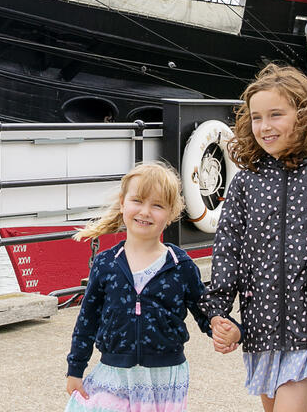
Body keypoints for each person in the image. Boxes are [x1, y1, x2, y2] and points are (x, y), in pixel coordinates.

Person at [202, 63, 307, 412]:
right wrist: (218, 311)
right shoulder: (246, 182)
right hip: (259, 326)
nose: (264, 126)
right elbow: (228, 248)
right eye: (257, 117)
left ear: (303, 115)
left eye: (276, 115)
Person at [65, 161, 214, 412]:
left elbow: (205, 313)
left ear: (170, 213)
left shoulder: (182, 266)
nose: (145, 211)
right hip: (114, 372)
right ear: (123, 203)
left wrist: (228, 330)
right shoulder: (106, 263)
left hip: (164, 378)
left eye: (157, 205)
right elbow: (87, 321)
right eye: (138, 201)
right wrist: (75, 369)